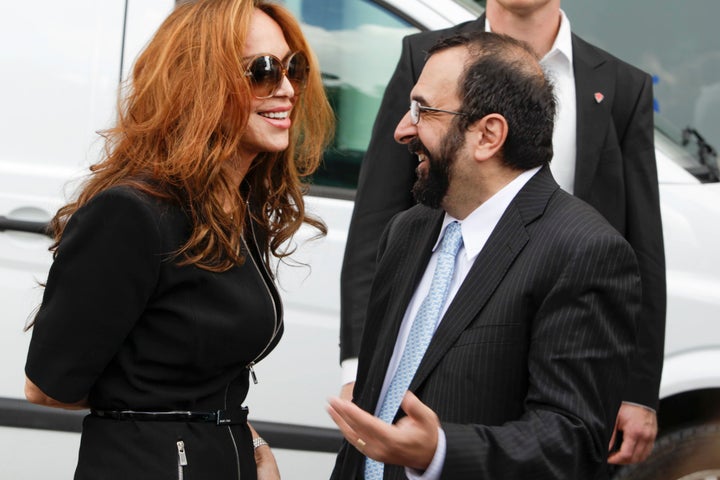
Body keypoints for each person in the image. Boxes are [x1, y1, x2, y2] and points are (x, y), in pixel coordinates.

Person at [339, 0, 665, 466]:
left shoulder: (587, 251)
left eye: (423, 111)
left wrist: (440, 453)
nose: (401, 131)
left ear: (490, 135)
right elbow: (372, 215)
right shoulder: (407, 233)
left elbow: (567, 439)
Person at [23, 1, 333, 479]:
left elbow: (207, 376)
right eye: (263, 71)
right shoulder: (133, 212)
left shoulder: (234, 207)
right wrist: (168, 418)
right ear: (200, 82)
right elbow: (48, 387)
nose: (287, 89)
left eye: (294, 68)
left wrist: (248, 445)